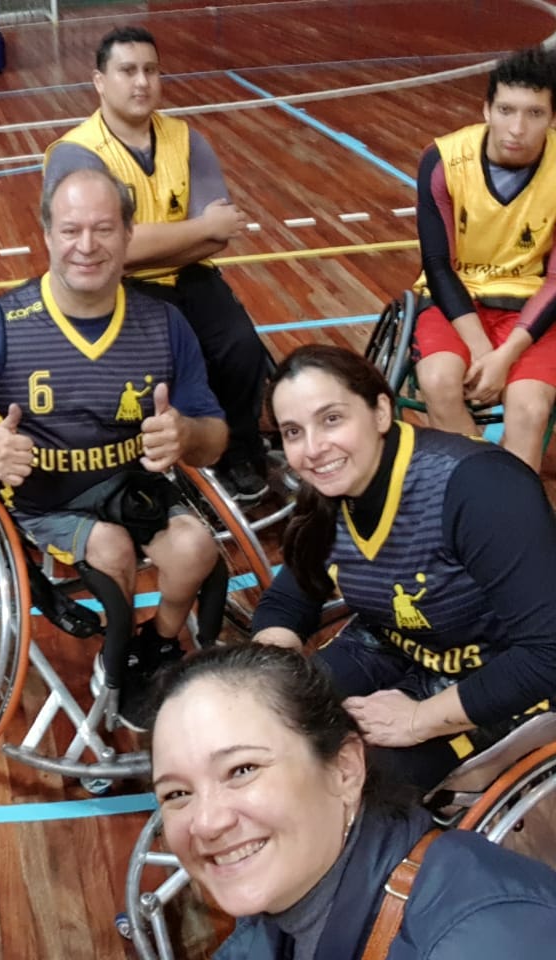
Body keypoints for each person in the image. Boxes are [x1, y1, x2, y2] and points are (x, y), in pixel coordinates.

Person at [0, 167, 226, 727]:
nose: (87, 245)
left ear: (129, 235)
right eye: (71, 229)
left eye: (103, 229)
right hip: (45, 502)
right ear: (48, 235)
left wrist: (187, 434)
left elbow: (215, 439)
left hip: (134, 489)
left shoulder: (164, 323)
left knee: (198, 548)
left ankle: (156, 644)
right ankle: (113, 666)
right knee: (112, 549)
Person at [251, 344, 556, 791]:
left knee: (352, 788)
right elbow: (290, 597)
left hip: (502, 674)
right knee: (266, 726)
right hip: (393, 645)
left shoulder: (481, 487)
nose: (312, 449)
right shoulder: (333, 488)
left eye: (331, 419)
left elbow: (548, 655)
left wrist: (420, 719)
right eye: (293, 432)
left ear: (380, 412)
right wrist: (268, 673)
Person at [148, 643, 556, 959]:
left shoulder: (487, 935)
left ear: (345, 769)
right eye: (177, 793)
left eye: (242, 770)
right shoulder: (292, 895)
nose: (206, 821)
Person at [44, 26, 269, 502]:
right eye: (127, 71)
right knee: (158, 369)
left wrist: (143, 243)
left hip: (190, 274)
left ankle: (239, 450)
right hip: (116, 287)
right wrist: (196, 230)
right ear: (100, 81)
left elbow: (222, 234)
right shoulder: (75, 153)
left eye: (151, 70)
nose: (141, 82)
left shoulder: (188, 140)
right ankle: (148, 471)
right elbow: (106, 250)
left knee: (242, 348)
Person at [412, 47, 556, 472]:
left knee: (529, 410)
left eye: (534, 113)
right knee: (439, 383)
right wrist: (480, 351)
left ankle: (512, 520)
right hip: (456, 301)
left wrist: (506, 356)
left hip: (530, 309)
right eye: (507, 109)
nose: (517, 127)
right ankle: (479, 491)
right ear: (486, 110)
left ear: (552, 119)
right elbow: (437, 264)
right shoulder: (442, 159)